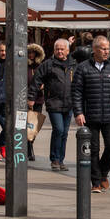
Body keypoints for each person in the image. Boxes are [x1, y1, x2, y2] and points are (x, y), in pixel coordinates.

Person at [73, 35, 110, 192]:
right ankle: (95, 182)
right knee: (93, 150)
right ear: (94, 49)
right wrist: (78, 112)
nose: (106, 51)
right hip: (90, 115)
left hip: (109, 115)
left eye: (108, 48)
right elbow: (76, 92)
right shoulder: (83, 68)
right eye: (103, 48)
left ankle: (103, 173)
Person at [32, 38, 75, 171]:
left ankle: (61, 160)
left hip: (69, 104)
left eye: (62, 49)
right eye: (57, 49)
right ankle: (54, 159)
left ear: (67, 50)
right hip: (54, 103)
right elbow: (36, 80)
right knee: (59, 130)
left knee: (65, 133)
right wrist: (31, 97)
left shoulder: (73, 64)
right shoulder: (48, 64)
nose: (59, 51)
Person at [25, 42, 45, 162]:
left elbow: (46, 77)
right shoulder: (23, 66)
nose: (31, 55)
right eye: (29, 53)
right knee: (26, 125)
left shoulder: (40, 66)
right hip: (25, 98)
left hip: (38, 98)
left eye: (33, 53)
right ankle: (28, 148)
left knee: (35, 126)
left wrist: (44, 85)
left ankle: (30, 145)